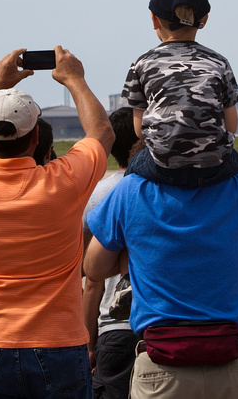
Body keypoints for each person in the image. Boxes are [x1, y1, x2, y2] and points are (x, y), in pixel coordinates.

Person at [0, 47, 114, 399]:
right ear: (36, 140)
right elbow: (102, 133)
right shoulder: (61, 184)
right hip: (58, 341)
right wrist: (74, 79)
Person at [84, 117, 238, 399]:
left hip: (160, 363)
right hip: (230, 359)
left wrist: (146, 251)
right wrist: (226, 249)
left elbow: (93, 268)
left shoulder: (131, 190)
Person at [122, 0, 238, 187]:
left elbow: (139, 129)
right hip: (214, 168)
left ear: (154, 20)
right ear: (204, 20)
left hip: (160, 168)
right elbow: (231, 126)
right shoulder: (219, 63)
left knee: (130, 173)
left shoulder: (141, 63)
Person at [81, 107, 142, 399]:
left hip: (111, 325)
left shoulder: (97, 195)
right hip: (154, 323)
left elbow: (91, 281)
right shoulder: (156, 188)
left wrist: (89, 343)